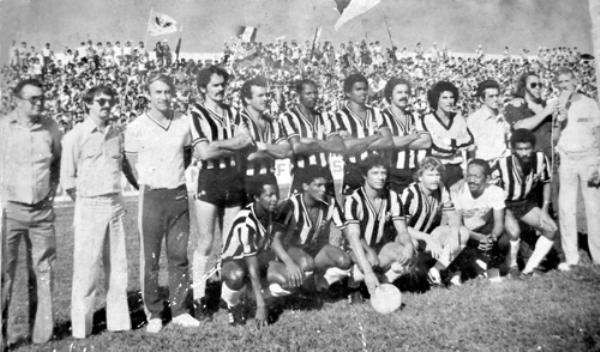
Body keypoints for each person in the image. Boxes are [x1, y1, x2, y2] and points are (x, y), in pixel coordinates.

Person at [124, 73, 200, 333]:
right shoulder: (136, 126)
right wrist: (147, 184)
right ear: (148, 95)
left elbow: (187, 155)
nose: (164, 96)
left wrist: (172, 177)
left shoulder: (184, 122)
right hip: (152, 197)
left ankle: (180, 310)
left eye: (168, 91)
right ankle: (154, 312)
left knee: (179, 256)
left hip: (178, 194)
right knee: (151, 258)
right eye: (158, 92)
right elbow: (130, 164)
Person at [60, 86, 131, 338]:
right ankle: (81, 327)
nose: (106, 105)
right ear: (87, 104)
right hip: (89, 205)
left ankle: (119, 321)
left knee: (118, 267)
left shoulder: (116, 134)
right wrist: (86, 202)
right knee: (86, 269)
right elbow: (68, 181)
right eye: (100, 101)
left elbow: (122, 167)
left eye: (110, 101)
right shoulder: (74, 136)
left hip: (114, 205)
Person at [189, 66, 254, 317]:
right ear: (203, 88)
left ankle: (229, 299)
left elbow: (246, 140)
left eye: (223, 85)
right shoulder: (196, 113)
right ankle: (198, 298)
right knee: (205, 242)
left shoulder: (234, 112)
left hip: (233, 178)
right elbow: (204, 153)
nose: (220, 89)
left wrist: (218, 144)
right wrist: (232, 144)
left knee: (231, 243)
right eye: (215, 85)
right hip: (210, 179)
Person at [0, 78, 61, 344]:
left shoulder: (50, 128)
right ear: (17, 100)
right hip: (9, 211)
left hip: (41, 213)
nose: (39, 103)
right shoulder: (3, 128)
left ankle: (42, 337)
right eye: (32, 99)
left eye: (41, 98)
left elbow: (56, 164)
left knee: (43, 271)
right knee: (4, 274)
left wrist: (50, 195)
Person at [219, 175, 290, 327]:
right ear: (256, 197)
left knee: (290, 278)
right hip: (234, 262)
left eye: (276, 194)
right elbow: (251, 265)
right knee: (236, 276)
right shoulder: (247, 222)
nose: (274, 199)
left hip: (258, 259)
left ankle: (251, 295)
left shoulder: (274, 212)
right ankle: (232, 303)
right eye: (269, 195)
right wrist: (261, 306)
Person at [344, 155, 415, 301]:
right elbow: (353, 238)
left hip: (380, 249)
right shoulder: (354, 200)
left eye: (383, 173)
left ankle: (384, 283)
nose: (381, 177)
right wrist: (368, 272)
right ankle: (354, 285)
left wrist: (408, 245)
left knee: (410, 250)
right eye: (375, 173)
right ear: (364, 175)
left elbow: (402, 230)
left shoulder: (393, 197)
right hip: (356, 250)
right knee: (364, 264)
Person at [492, 129, 557, 275]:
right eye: (520, 149)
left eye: (527, 148)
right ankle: (512, 265)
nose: (524, 153)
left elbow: (546, 182)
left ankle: (530, 269)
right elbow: (491, 192)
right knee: (514, 232)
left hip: (524, 202)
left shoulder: (540, 159)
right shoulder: (501, 164)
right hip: (504, 204)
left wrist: (545, 210)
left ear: (533, 147)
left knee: (551, 228)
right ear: (513, 149)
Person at [554, 67, 600, 269]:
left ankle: (598, 255)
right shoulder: (556, 104)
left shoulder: (590, 103)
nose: (565, 85)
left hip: (589, 157)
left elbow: (598, 133)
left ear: (575, 81)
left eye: (567, 81)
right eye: (560, 82)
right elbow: (554, 137)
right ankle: (571, 256)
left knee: (594, 208)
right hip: (567, 158)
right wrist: (559, 118)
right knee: (566, 208)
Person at [277, 167, 352, 292]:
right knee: (306, 263)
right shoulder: (291, 204)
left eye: (325, 185)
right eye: (318, 185)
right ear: (305, 186)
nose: (323, 189)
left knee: (344, 261)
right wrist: (288, 262)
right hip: (289, 252)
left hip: (314, 252)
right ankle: (295, 288)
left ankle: (319, 282)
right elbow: (275, 240)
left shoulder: (330, 202)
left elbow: (347, 230)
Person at [401, 157, 468, 286]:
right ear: (420, 177)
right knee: (413, 243)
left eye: (437, 174)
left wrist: (454, 236)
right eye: (430, 175)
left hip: (427, 236)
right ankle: (410, 278)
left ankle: (436, 271)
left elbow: (452, 215)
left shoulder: (441, 188)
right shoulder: (410, 193)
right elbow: (402, 228)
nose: (435, 178)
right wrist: (427, 238)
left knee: (462, 232)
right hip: (409, 237)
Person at [279, 79, 345, 196]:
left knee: (330, 210)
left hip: (324, 171)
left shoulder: (325, 116)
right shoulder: (289, 117)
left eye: (315, 93)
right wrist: (326, 144)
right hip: (302, 173)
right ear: (299, 95)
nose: (313, 97)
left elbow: (339, 146)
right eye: (308, 93)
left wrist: (314, 141)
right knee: (301, 212)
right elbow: (297, 147)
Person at [329, 73, 392, 196]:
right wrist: (374, 137)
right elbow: (346, 147)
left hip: (377, 169)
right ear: (348, 93)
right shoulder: (338, 117)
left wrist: (356, 142)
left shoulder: (377, 112)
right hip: (353, 171)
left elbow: (388, 141)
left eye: (365, 89)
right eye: (358, 89)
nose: (363, 93)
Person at [451, 159, 507, 280]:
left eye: (476, 176)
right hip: (464, 233)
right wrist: (478, 237)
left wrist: (491, 238)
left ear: (487, 179)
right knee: (458, 236)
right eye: (469, 175)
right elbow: (457, 225)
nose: (471, 180)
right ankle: (457, 272)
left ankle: (492, 269)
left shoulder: (495, 192)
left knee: (503, 240)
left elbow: (498, 224)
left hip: (482, 231)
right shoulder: (458, 191)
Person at [235, 77, 290, 197]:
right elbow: (249, 156)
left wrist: (262, 146)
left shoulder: (272, 121)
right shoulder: (239, 120)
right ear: (247, 99)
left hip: (270, 179)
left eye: (267, 95)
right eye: (260, 96)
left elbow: (286, 151)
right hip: (247, 181)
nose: (266, 99)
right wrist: (274, 151)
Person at [380, 77, 431, 193]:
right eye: (399, 92)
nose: (404, 96)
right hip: (391, 174)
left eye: (406, 92)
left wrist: (397, 142)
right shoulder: (382, 116)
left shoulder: (414, 116)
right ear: (390, 96)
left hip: (413, 172)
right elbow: (387, 142)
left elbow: (426, 142)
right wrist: (413, 136)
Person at [421, 81, 474, 187]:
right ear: (436, 100)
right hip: (435, 169)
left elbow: (470, 142)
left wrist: (450, 142)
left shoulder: (458, 118)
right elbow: (436, 148)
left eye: (451, 97)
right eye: (444, 98)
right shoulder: (427, 119)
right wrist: (457, 147)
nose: (449, 101)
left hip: (456, 169)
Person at [467, 80, 511, 164]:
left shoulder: (502, 118)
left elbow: (508, 140)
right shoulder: (474, 120)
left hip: (504, 162)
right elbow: (470, 148)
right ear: (482, 99)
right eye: (491, 96)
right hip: (485, 164)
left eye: (497, 96)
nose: (496, 99)